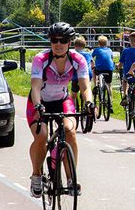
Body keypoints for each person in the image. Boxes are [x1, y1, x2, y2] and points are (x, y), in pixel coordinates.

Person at [27, 22, 92, 197]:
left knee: (70, 131)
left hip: (62, 100)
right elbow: (35, 86)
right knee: (41, 137)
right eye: (54, 40)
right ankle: (36, 176)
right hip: (39, 101)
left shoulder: (78, 59)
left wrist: (89, 103)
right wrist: (38, 105)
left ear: (69, 42)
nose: (58, 44)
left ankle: (71, 179)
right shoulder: (41, 59)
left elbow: (85, 87)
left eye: (62, 40)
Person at [118, 32, 135, 118]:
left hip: (129, 76)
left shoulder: (125, 51)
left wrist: (118, 67)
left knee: (124, 80)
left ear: (129, 41)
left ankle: (125, 95)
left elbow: (121, 64)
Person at [70, 36, 96, 118]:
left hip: (75, 75)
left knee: (73, 94)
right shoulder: (88, 54)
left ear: (75, 45)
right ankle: (87, 106)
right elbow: (92, 64)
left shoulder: (72, 54)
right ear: (84, 46)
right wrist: (93, 68)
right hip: (87, 74)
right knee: (86, 89)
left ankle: (72, 110)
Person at [90, 35, 116, 113]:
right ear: (106, 43)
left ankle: (95, 86)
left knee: (94, 71)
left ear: (98, 43)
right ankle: (110, 102)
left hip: (99, 68)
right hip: (109, 68)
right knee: (109, 84)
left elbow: (91, 58)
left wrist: (93, 64)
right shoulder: (110, 50)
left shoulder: (97, 50)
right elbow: (111, 58)